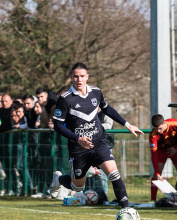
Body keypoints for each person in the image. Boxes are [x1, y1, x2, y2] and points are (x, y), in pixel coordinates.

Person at [49, 62, 144, 209]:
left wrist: (128, 125)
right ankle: (59, 179)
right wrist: (77, 139)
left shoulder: (96, 92)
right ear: (71, 78)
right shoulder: (65, 99)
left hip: (99, 142)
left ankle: (127, 209)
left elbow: (107, 109)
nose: (79, 80)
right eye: (75, 76)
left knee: (114, 173)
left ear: (87, 77)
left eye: (82, 76)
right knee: (78, 187)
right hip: (78, 148)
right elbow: (57, 125)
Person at [149, 115, 177, 207]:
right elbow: (154, 155)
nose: (158, 131)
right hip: (161, 152)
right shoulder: (153, 135)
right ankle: (152, 200)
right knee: (156, 174)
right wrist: (157, 173)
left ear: (164, 123)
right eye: (156, 129)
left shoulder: (175, 123)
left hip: (176, 150)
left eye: (160, 128)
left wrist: (176, 147)